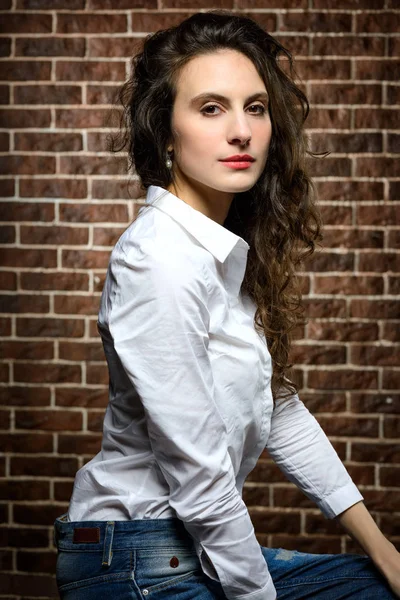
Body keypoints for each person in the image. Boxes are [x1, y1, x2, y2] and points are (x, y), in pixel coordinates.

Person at [54, 10, 400, 600]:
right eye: (211, 108)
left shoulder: (218, 254)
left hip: (182, 546)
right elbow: (199, 477)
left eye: (256, 107)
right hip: (135, 558)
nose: (241, 130)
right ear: (166, 132)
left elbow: (280, 413)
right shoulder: (159, 259)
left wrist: (386, 552)